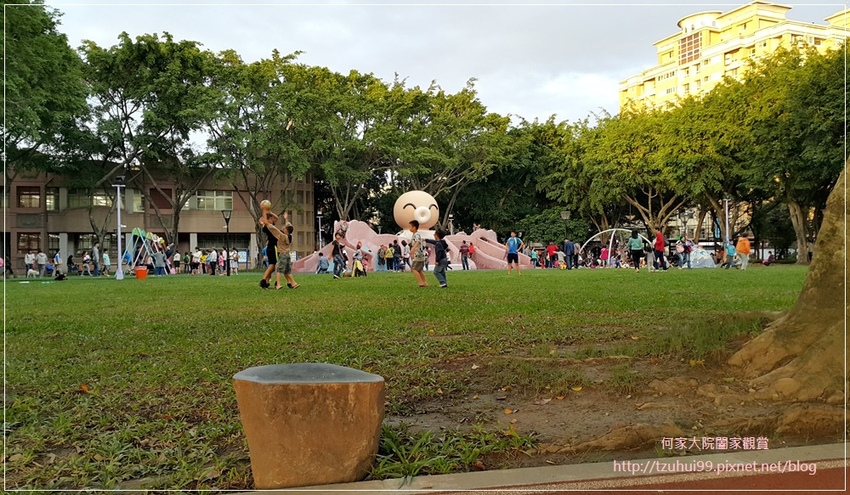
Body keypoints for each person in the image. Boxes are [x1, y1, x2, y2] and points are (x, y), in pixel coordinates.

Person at [268, 212, 299, 289]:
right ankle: (294, 283)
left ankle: (278, 284)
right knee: (287, 271)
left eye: (284, 228)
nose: (283, 228)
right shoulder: (289, 236)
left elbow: (275, 230)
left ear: (286, 231)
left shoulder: (283, 236)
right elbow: (289, 226)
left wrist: (267, 223)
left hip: (282, 255)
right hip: (287, 255)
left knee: (278, 270)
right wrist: (286, 219)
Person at [258, 200, 279, 289]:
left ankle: (266, 281)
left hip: (271, 247)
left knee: (272, 266)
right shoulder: (267, 227)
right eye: (270, 218)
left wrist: (269, 212)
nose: (272, 219)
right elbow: (263, 220)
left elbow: (276, 218)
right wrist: (264, 210)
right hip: (272, 247)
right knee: (273, 265)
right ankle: (263, 280)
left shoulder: (271, 226)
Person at [409, 220, 428, 287]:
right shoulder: (415, 235)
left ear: (414, 227)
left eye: (410, 226)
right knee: (419, 270)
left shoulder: (417, 235)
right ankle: (424, 282)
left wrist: (412, 249)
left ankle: (421, 282)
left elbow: (417, 242)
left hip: (418, 254)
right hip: (419, 254)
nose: (409, 228)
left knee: (414, 269)